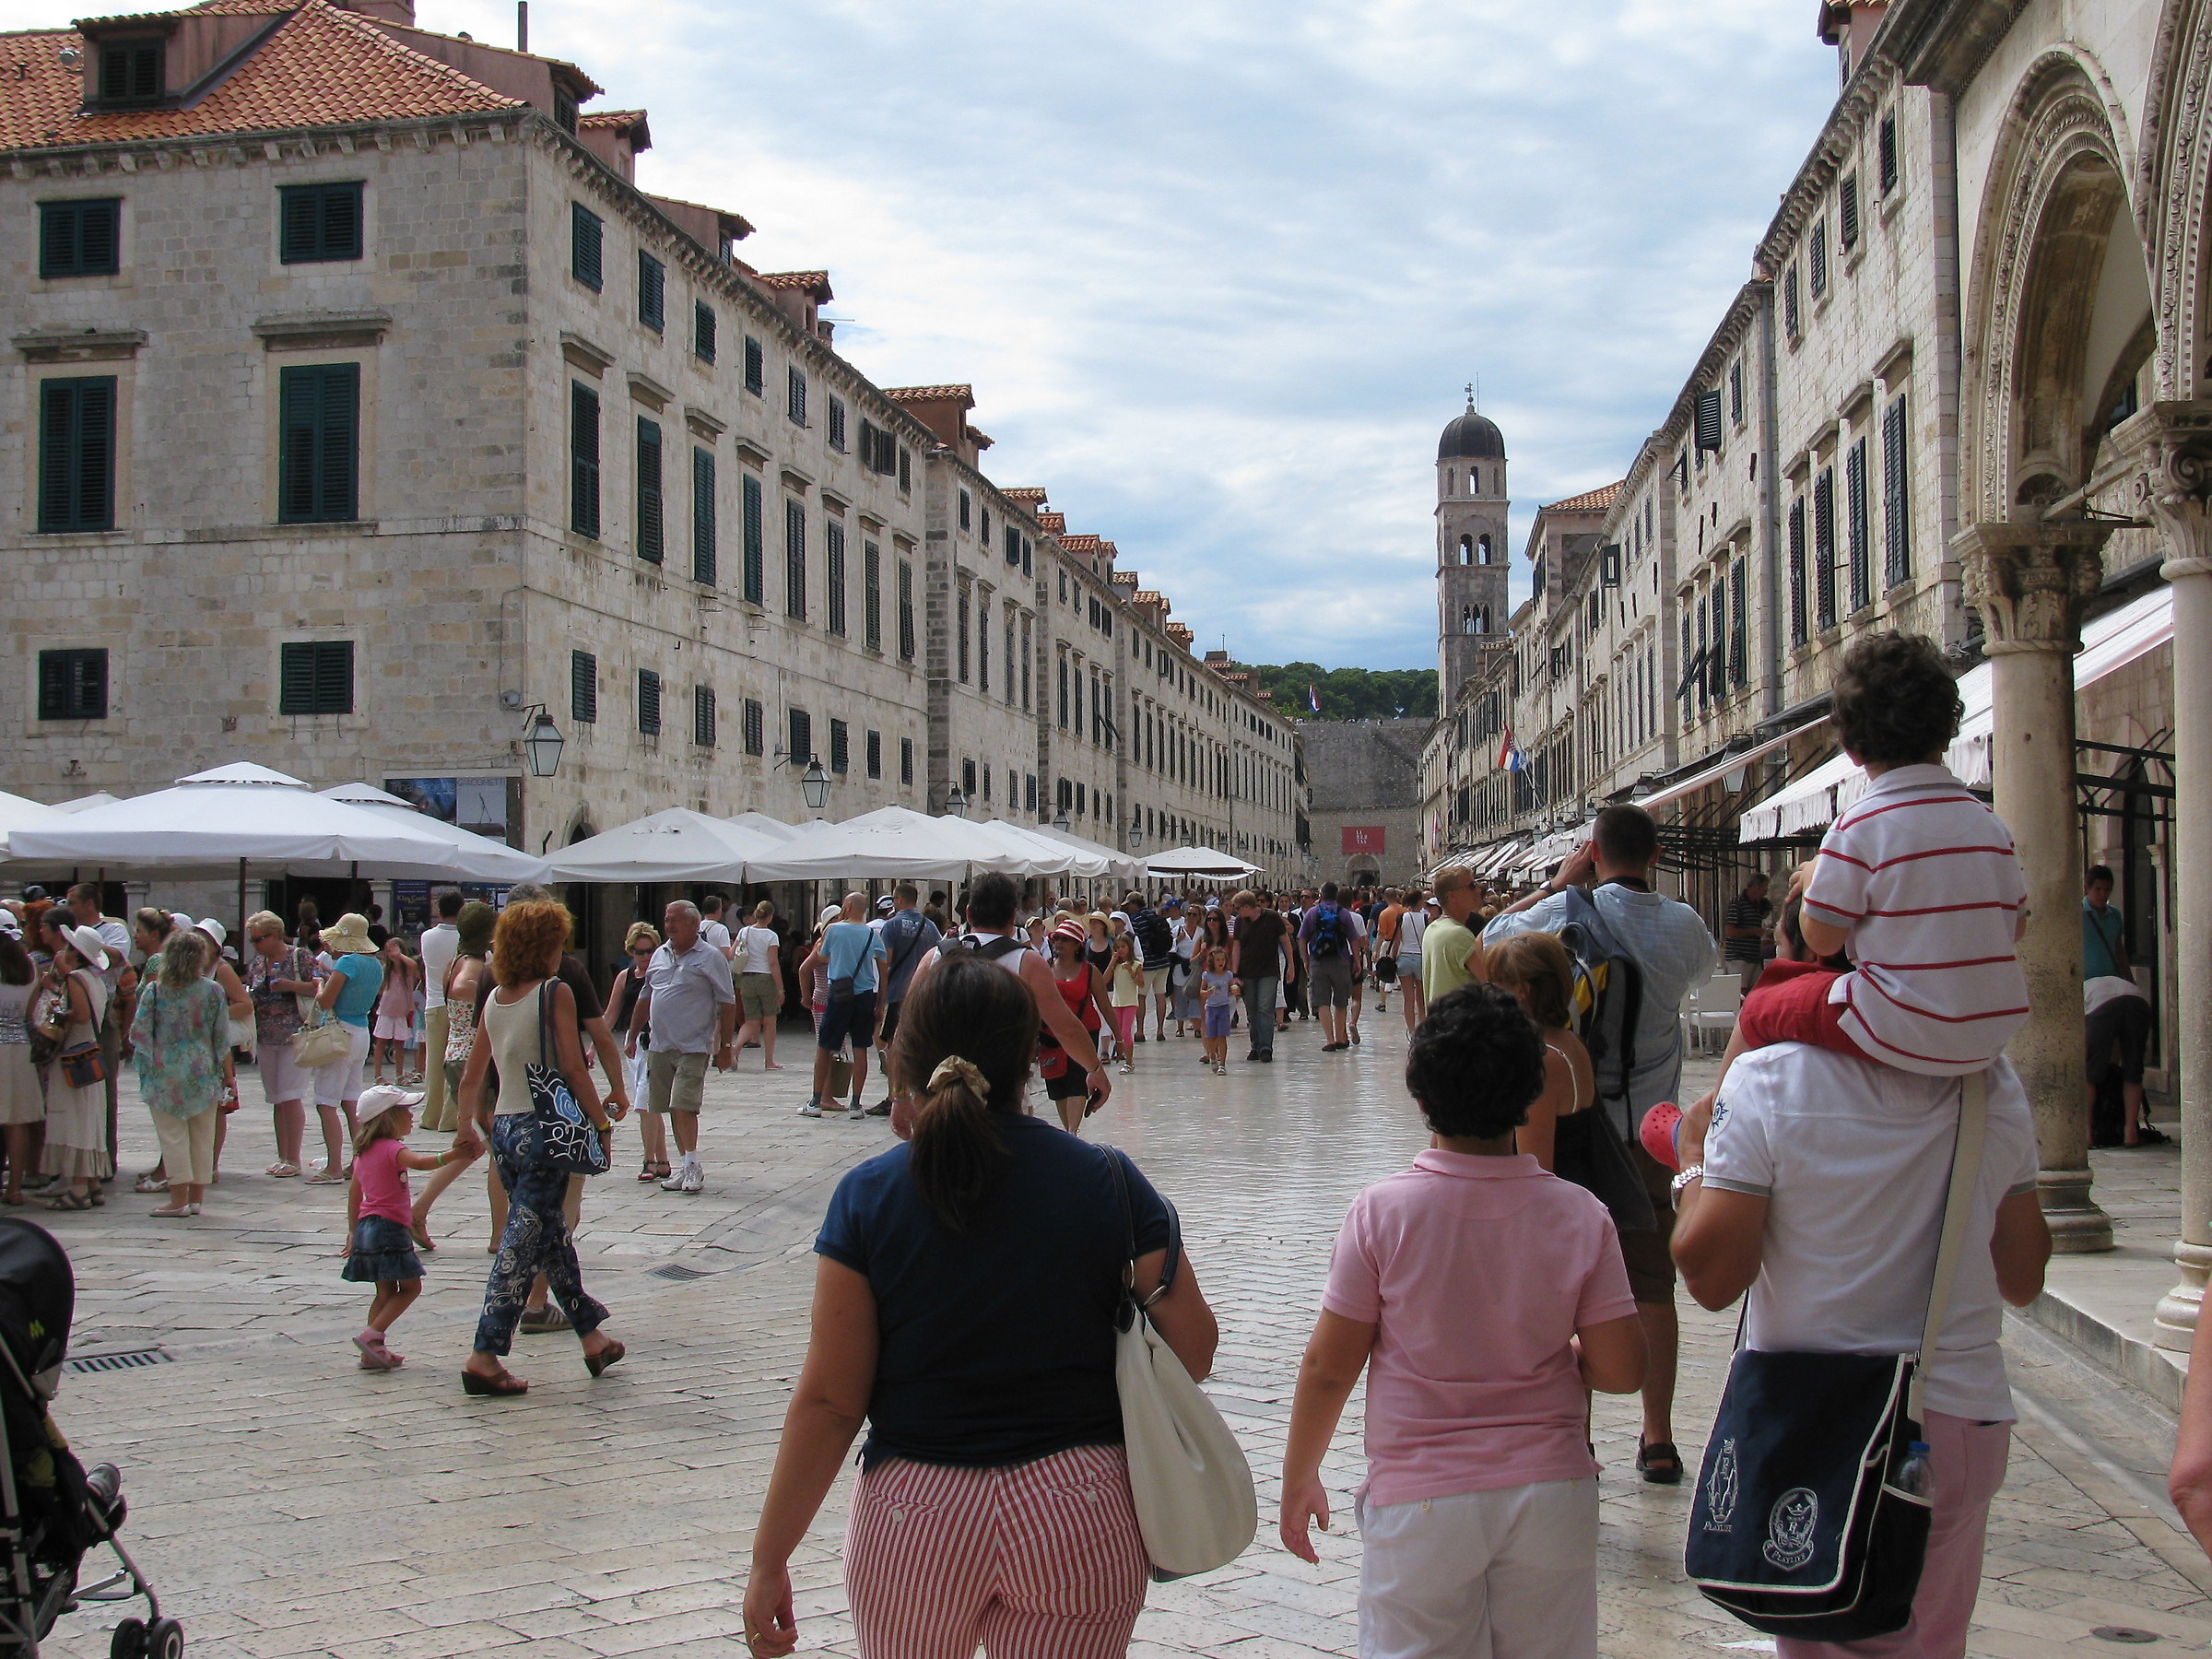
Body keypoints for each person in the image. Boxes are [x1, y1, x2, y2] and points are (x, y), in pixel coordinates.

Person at [740, 952, 1218, 1659]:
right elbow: (1196, 1350)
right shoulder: (1107, 1181)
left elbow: (832, 1402)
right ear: (1031, 1057)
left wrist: (769, 1558)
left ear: (908, 1058)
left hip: (916, 1510)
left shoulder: (869, 1196)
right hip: (1077, 1504)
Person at [1279, 984, 1644, 1659]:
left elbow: (1330, 1366)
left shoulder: (1382, 1213)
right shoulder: (1579, 1215)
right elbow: (1623, 1370)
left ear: (1420, 1096)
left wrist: (1300, 1475)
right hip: (1552, 1489)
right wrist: (1564, 1348)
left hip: (1422, 1500)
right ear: (1531, 1095)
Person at [1672, 1040, 2052, 1659]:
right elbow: (2023, 1274)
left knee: (1813, 1624)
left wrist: (1692, 1163)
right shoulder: (1989, 1082)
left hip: (1804, 1422)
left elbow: (1711, 1278)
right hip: (1945, 1414)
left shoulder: (1768, 1078)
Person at [1484, 802, 1717, 1485]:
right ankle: (1658, 1437)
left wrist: (1558, 882)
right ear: (1655, 856)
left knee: (1569, 1292)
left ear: (1593, 850)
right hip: (1652, 1133)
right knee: (1651, 1285)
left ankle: (1576, 1442)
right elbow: (1701, 974)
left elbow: (1493, 941)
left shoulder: (1565, 912)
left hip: (1575, 1127)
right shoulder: (1684, 925)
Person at [450, 900, 626, 1396]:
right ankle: (484, 1354)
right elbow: (572, 1067)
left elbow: (472, 1072)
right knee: (520, 1242)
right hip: (545, 1126)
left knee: (547, 1234)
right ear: (548, 944)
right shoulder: (555, 992)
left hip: (504, 1126)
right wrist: (600, 1120)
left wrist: (467, 1127)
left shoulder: (496, 998)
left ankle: (592, 1336)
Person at [903, 872, 1112, 1123]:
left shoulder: (935, 957)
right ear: (1014, 917)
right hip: (1002, 1092)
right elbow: (1066, 1028)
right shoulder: (1027, 962)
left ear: (968, 914)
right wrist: (1095, 1070)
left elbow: (906, 1027)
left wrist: (900, 1094)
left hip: (938, 1088)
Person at [342, 1084, 459, 1371]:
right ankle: (371, 1336)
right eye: (406, 1111)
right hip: (389, 1229)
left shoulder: (362, 1153)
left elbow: (355, 1195)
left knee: (383, 1292)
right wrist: (454, 1154)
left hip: (368, 1227)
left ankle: (372, 1350)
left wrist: (352, 1230)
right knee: (410, 1287)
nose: (411, 1116)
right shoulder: (393, 1148)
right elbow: (420, 1163)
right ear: (388, 1118)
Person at [633, 900, 735, 1188]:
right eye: (666, 919)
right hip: (659, 1045)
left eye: (675, 919)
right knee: (668, 1106)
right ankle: (685, 1164)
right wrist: (631, 1035)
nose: (669, 925)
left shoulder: (710, 956)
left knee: (683, 1105)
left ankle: (692, 1166)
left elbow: (727, 1001)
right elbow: (646, 995)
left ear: (693, 923)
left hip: (693, 1045)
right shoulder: (659, 954)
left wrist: (725, 1046)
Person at [409, 901, 494, 1248]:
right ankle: (500, 1234)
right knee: (496, 1146)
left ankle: (419, 1210)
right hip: (471, 1057)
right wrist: (495, 994)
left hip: (458, 1053)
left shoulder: (455, 960)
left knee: (476, 1145)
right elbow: (462, 988)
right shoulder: (472, 965)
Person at [131, 929, 231, 1220]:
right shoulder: (213, 990)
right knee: (203, 1135)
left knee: (172, 1137)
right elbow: (222, 1038)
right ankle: (197, 1198)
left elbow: (140, 1033)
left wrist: (146, 1065)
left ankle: (177, 1200)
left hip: (165, 1071)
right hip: (203, 1069)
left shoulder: (156, 991)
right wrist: (228, 1075)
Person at [1482, 933, 1596, 1171]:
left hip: (1553, 1200)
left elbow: (1535, 1168)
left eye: (1494, 985)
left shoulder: (1541, 1061)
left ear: (1522, 990)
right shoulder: (1570, 1042)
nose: (1489, 994)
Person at [306, 913, 383, 1184]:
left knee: (326, 1102)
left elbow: (326, 1001)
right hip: (361, 1030)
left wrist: (319, 984)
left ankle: (334, 1166)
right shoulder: (375, 965)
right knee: (351, 1100)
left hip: (340, 1032)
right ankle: (358, 1162)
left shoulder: (347, 961)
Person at [63, 883, 133, 1182]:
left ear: (89, 904)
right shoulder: (73, 931)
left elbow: (117, 958)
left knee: (103, 1088)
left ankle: (104, 1157)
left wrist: (85, 944)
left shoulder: (113, 930)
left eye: (73, 902)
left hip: (102, 1017)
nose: (69, 907)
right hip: (76, 1017)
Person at [40, 928, 112, 1211]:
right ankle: (92, 1184)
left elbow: (80, 1014)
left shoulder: (75, 978)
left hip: (74, 1053)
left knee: (75, 1120)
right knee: (88, 1117)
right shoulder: (95, 980)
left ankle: (79, 1188)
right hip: (90, 1051)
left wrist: (59, 1010)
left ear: (74, 952)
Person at [244, 912, 321, 1179]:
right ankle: (283, 1156)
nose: (255, 945)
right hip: (265, 1034)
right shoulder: (256, 964)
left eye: (259, 939)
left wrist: (289, 985)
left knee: (291, 1095)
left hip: (294, 1033)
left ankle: (294, 1157)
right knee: (276, 1098)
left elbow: (319, 986)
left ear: (275, 935)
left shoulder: (299, 957)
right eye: (252, 940)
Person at [803, 893, 888, 1120]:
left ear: (847, 906)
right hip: (865, 995)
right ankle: (856, 1104)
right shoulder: (871, 934)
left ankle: (815, 1100)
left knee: (825, 1047)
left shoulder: (834, 930)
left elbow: (821, 956)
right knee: (861, 1048)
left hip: (839, 995)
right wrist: (880, 1003)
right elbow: (883, 968)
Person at [866, 884, 941, 1115]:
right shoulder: (930, 926)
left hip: (898, 992)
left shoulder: (892, 925)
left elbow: (886, 963)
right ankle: (922, 1093)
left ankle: (894, 1096)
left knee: (893, 1046)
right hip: (924, 993)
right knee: (920, 1045)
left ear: (898, 900)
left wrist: (881, 997)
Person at [612, 923, 666, 1180]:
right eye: (638, 951)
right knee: (650, 1102)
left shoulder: (664, 973)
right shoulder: (624, 977)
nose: (644, 956)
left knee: (644, 1103)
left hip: (658, 1043)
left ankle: (649, 1161)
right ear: (630, 951)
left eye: (649, 951)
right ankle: (664, 1160)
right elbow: (610, 1014)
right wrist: (592, 1047)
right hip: (635, 1045)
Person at [417, 891, 464, 1132]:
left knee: (434, 1062)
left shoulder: (427, 937)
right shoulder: (465, 937)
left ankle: (431, 1115)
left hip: (434, 1002)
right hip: (460, 1004)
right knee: (454, 1060)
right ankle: (449, 1117)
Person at [0, 928, 41, 1205]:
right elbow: (30, 1015)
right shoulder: (31, 971)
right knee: (17, 1122)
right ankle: (14, 1187)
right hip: (22, 1048)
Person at [1230, 889, 1291, 1064]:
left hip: (1268, 971)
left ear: (1248, 906)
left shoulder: (1272, 918)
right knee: (1252, 1011)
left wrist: (1291, 965)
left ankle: (1266, 1048)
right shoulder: (1240, 922)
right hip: (1247, 972)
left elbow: (1285, 941)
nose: (1236, 911)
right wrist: (1235, 974)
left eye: (1238, 908)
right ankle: (1255, 1045)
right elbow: (1237, 947)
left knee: (1265, 1008)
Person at [1301, 882, 1359, 1053]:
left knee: (1322, 1002)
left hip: (1318, 961)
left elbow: (1302, 938)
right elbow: (1353, 938)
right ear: (1336, 895)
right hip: (1341, 961)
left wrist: (1306, 959)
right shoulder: (1344, 913)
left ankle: (1330, 1040)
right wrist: (1356, 960)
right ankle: (1341, 1037)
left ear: (1320, 894)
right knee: (1341, 1002)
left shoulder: (1312, 913)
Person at [1419, 868, 1485, 1012]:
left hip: (1441, 1025)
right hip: (1462, 1027)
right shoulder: (1458, 934)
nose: (1478, 890)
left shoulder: (1432, 929)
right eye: (1471, 886)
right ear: (1452, 896)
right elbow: (1489, 981)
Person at [733, 901, 786, 1071]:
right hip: (765, 979)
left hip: (746, 979)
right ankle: (769, 1061)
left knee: (751, 1021)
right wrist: (780, 988)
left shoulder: (744, 931)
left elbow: (731, 953)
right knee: (770, 1020)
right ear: (770, 917)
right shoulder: (771, 936)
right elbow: (773, 962)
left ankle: (736, 1048)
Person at [1125, 890, 1176, 1041]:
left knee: (1141, 997)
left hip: (1147, 964)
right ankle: (1160, 1031)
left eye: (1129, 904)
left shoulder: (1135, 920)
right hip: (1163, 961)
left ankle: (1140, 1031)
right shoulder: (1157, 916)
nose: (1128, 908)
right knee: (1160, 996)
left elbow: (1133, 941)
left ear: (1134, 904)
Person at [371, 935, 419, 1086]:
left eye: (394, 948)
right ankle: (378, 1075)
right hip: (386, 1010)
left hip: (402, 1011)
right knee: (381, 1042)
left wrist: (400, 956)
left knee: (399, 1044)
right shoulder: (387, 969)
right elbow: (381, 988)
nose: (391, 952)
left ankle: (399, 1075)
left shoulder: (407, 969)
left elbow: (414, 967)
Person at [1723, 871, 1772, 997]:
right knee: (1740, 991)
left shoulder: (1756, 906)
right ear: (1756, 887)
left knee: (1756, 990)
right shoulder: (1737, 904)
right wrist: (1753, 931)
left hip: (1754, 956)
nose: (1765, 892)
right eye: (1764, 888)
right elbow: (1730, 931)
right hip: (1739, 957)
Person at [2083, 864, 2129, 982]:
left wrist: (2129, 979)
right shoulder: (2077, 915)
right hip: (2086, 983)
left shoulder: (2114, 915)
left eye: (2107, 890)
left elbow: (2119, 950)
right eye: (2098, 889)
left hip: (2111, 981)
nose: (2103, 894)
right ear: (2087, 888)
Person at [1106, 931, 1143, 1074]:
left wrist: (1131, 972)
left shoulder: (1136, 964)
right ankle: (1121, 1055)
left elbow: (1141, 983)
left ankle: (1129, 1062)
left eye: (1123, 947)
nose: (1120, 950)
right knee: (1118, 1034)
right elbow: (1105, 979)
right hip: (1117, 1002)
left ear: (1129, 948)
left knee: (1126, 1032)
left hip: (1130, 1002)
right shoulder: (1115, 965)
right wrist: (1112, 961)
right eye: (1117, 947)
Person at [1393, 888, 1429, 1033]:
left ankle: (1411, 1031)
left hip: (1405, 957)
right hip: (1420, 957)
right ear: (1420, 901)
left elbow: (1397, 941)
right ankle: (1423, 1030)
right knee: (1421, 999)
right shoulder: (1426, 918)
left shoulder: (1402, 917)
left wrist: (1392, 959)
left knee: (1408, 999)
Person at [1200, 946, 1238, 1076]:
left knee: (1222, 1036)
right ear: (1212, 961)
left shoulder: (1228, 975)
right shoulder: (1207, 976)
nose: (1221, 962)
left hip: (1224, 1007)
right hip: (1211, 1008)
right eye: (1218, 960)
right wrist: (1207, 992)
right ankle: (1212, 1056)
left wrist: (1234, 988)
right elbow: (1201, 991)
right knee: (1211, 1037)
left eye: (1223, 959)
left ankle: (1222, 1064)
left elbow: (1232, 986)